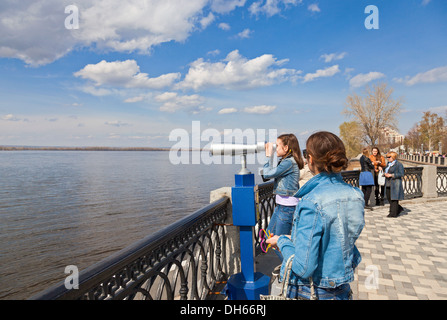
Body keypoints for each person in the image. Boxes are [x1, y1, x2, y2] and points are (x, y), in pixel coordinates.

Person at [267, 131, 365, 300]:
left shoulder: (311, 201)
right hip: (342, 290)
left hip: (313, 291)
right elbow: (343, 244)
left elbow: (303, 267)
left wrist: (282, 241)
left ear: (310, 159)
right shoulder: (356, 195)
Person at [262, 134, 304, 239]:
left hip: (287, 208)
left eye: (277, 145)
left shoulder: (289, 163)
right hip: (281, 206)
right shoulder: (285, 161)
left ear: (286, 148)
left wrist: (269, 156)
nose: (275, 148)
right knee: (269, 238)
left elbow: (267, 174)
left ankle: (291, 256)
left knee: (280, 243)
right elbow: (265, 175)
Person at [384, 151, 405, 218]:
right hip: (388, 183)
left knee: (394, 198)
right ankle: (398, 208)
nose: (388, 158)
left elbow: (401, 174)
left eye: (389, 157)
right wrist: (384, 174)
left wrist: (391, 175)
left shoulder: (398, 164)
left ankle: (393, 213)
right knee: (388, 197)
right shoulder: (388, 164)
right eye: (387, 157)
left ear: (393, 157)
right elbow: (387, 171)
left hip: (395, 183)